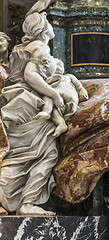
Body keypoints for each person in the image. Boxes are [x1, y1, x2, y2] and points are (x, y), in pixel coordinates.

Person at [0, 12, 61, 216]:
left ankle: (7, 193)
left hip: (17, 102)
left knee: (18, 155)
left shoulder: (21, 48)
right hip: (30, 103)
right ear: (42, 29)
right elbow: (30, 75)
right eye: (48, 23)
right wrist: (54, 94)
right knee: (46, 152)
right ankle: (27, 203)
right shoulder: (41, 46)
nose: (52, 25)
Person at [33, 57, 89, 137]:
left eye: (59, 65)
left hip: (68, 94)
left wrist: (83, 94)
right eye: (56, 65)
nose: (59, 67)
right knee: (54, 110)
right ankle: (61, 123)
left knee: (49, 95)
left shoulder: (68, 76)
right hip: (61, 102)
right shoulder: (49, 79)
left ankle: (46, 111)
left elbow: (79, 87)